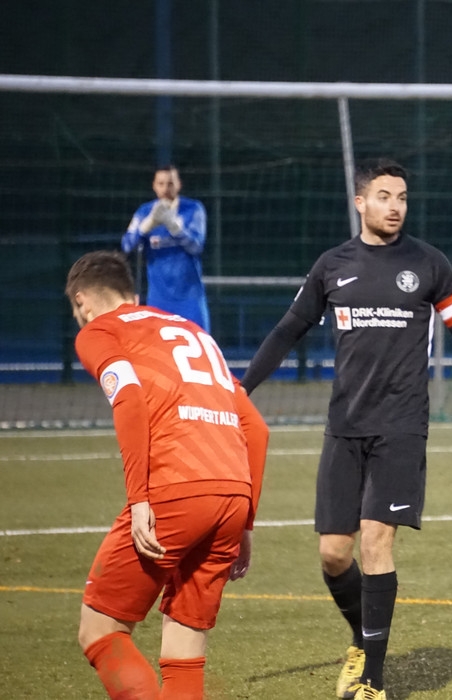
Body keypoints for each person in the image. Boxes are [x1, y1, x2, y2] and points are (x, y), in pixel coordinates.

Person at [240, 158, 452, 700]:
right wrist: (239, 391)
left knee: (377, 541)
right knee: (334, 554)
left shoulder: (428, 264)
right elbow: (288, 331)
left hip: (401, 427)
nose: (395, 206)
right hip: (344, 427)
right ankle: (362, 640)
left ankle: (373, 683)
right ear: (360, 202)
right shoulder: (332, 266)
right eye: (384, 196)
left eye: (402, 197)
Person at [65, 250, 269, 700]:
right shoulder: (193, 331)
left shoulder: (100, 330)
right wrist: (246, 524)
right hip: (232, 495)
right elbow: (256, 429)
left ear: (82, 301)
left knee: (100, 630)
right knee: (184, 645)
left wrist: (140, 499)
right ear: (132, 293)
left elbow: (129, 398)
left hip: (175, 490)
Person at [121, 165, 211, 331]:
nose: (165, 189)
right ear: (154, 186)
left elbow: (196, 247)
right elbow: (126, 245)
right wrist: (145, 227)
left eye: (170, 183)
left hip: (189, 299)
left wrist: (174, 228)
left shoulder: (193, 209)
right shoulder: (144, 212)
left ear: (179, 185)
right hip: (158, 300)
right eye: (161, 184)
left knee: (198, 342)